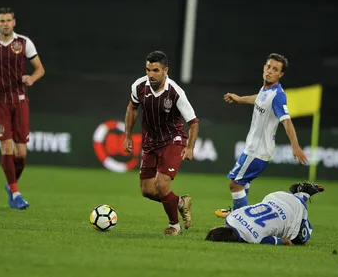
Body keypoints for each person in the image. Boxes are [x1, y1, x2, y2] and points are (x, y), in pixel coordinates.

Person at [214, 53, 308, 218]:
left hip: (257, 151)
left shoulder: (278, 96)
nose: (270, 71)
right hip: (254, 148)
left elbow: (287, 121)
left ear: (281, 74)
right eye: (268, 67)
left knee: (235, 184)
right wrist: (239, 99)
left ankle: (242, 220)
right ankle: (238, 212)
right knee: (244, 182)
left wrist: (295, 146)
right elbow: (258, 99)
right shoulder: (266, 89)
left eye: (275, 69)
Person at [0, 7, 45, 209]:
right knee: (6, 146)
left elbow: (40, 69)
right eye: (1, 21)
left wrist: (31, 78)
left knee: (21, 154)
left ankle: (11, 185)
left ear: (14, 22)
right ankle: (16, 193)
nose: (5, 24)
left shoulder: (23, 43)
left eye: (8, 20)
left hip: (20, 101)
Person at [123, 51, 198, 235]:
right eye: (148, 70)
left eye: (155, 70)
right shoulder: (139, 86)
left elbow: (193, 122)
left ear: (166, 70)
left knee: (161, 183)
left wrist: (190, 147)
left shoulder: (175, 92)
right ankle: (180, 202)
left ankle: (175, 226)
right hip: (151, 142)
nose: (151, 74)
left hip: (173, 140)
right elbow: (132, 108)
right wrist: (127, 135)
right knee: (147, 190)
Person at [206, 182, 324, 245]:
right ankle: (298, 194)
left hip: (294, 210)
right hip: (274, 197)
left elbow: (285, 242)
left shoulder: (254, 238)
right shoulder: (232, 217)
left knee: (299, 239)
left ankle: (303, 194)